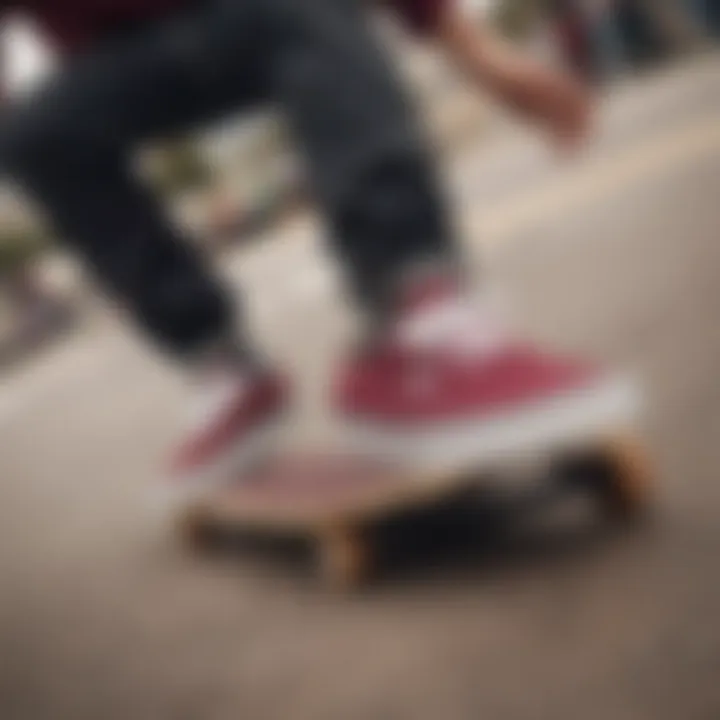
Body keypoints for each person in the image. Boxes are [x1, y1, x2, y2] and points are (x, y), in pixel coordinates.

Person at [0, 0, 637, 498]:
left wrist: (483, 59)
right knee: (33, 136)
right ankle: (222, 369)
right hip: (122, 64)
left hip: (261, 15)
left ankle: (418, 314)